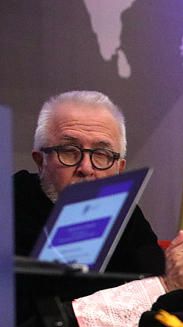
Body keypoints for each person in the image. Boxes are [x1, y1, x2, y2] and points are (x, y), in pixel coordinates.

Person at [14, 90, 164, 275]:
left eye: (102, 155)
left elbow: (157, 282)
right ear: (40, 160)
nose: (85, 168)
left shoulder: (126, 214)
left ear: (119, 169)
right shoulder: (10, 206)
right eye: (69, 150)